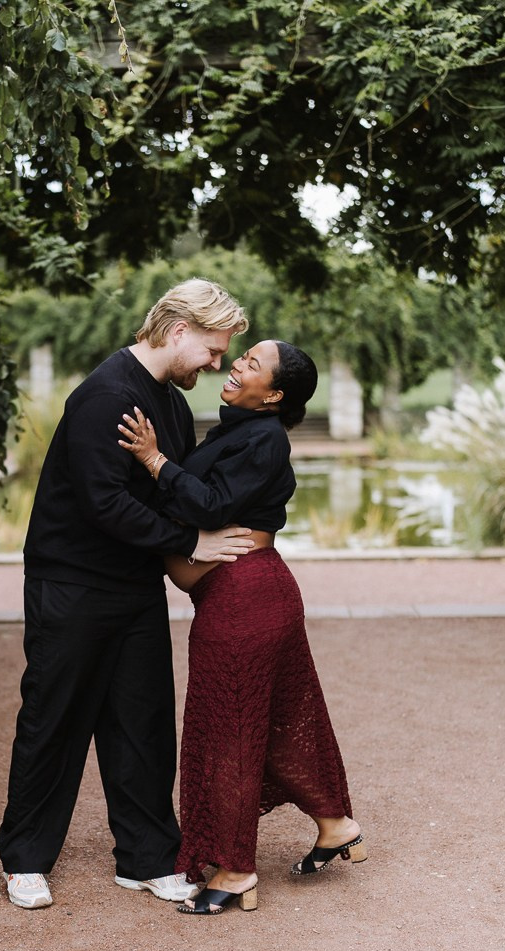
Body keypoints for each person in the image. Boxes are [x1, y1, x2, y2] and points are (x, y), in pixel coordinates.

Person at [0, 279, 256, 909]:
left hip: (133, 585)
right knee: (54, 718)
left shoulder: (167, 401)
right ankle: (25, 859)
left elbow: (173, 483)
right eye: (213, 350)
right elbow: (104, 503)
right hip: (72, 583)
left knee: (141, 723)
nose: (217, 364)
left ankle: (144, 858)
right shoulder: (105, 394)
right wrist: (191, 540)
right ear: (177, 332)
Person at [118, 339, 367, 915]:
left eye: (253, 364)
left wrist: (155, 461)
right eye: (242, 357)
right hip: (253, 595)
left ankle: (234, 871)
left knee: (224, 731)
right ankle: (335, 826)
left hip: (245, 603)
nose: (237, 365)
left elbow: (209, 505)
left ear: (274, 395)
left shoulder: (263, 437)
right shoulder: (240, 432)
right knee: (280, 718)